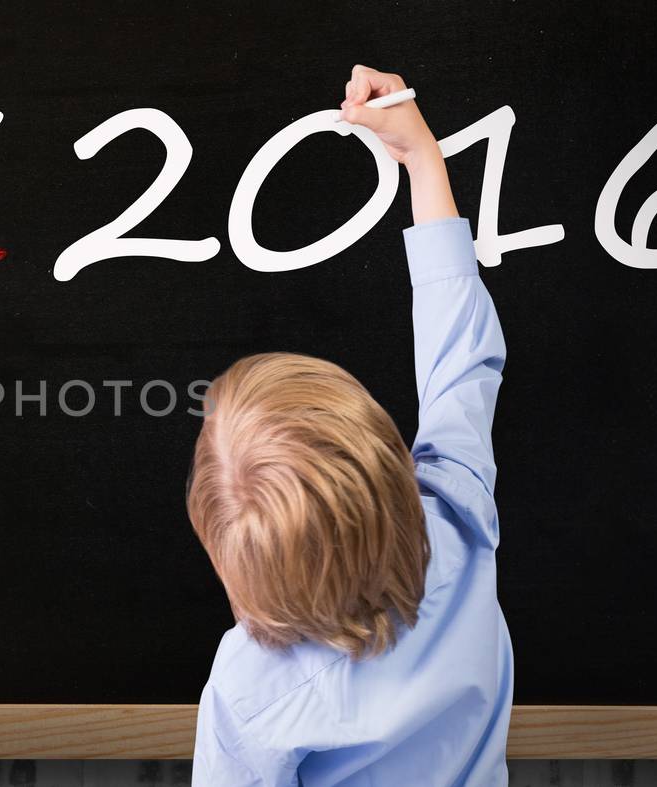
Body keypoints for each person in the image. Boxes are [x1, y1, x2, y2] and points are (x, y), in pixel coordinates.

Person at [187, 65, 512, 785]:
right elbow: (463, 359)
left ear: (239, 576)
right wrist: (422, 157)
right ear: (393, 464)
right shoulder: (458, 521)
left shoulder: (250, 686)